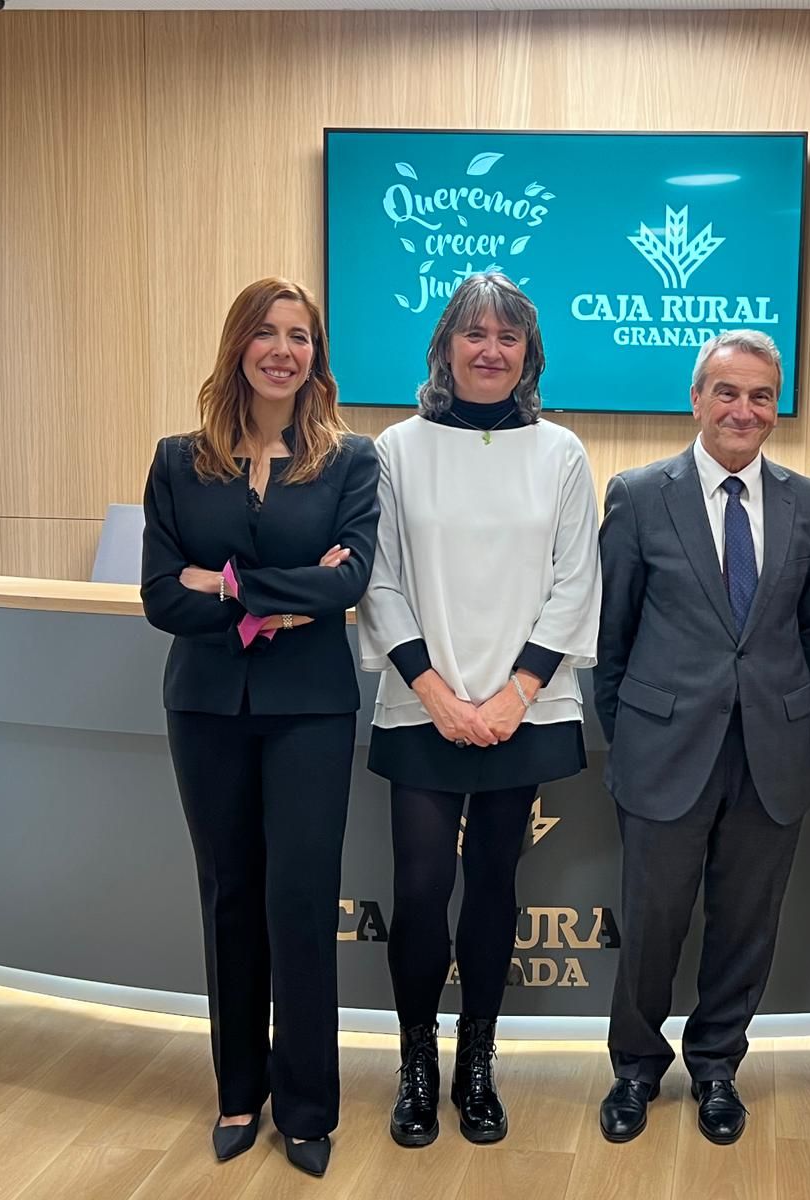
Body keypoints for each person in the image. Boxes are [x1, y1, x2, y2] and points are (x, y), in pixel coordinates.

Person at [141, 277, 380, 1178]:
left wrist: (226, 583)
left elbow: (347, 583)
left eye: (300, 336)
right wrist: (284, 596)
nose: (283, 350)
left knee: (302, 901)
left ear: (316, 356)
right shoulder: (178, 461)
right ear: (238, 343)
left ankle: (308, 1105)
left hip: (309, 709)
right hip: (205, 707)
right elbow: (160, 596)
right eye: (268, 333)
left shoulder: (350, 462)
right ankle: (238, 1091)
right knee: (229, 896)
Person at [357, 273, 601, 1148]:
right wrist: (436, 695)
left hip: (521, 711)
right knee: (421, 892)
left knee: (495, 887)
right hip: (422, 705)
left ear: (529, 355)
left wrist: (513, 696)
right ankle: (417, 1062)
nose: (490, 350)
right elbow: (379, 580)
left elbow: (576, 582)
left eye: (508, 337)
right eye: (474, 334)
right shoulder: (395, 450)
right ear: (445, 348)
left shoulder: (561, 453)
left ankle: (477, 1060)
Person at [594, 330, 810, 1146]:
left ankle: (717, 1066)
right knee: (652, 920)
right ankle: (635, 1067)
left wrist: (762, 696)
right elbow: (613, 634)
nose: (744, 409)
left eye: (761, 395)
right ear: (696, 399)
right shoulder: (638, 496)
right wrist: (631, 734)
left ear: (777, 406)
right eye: (727, 392)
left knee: (745, 923)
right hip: (664, 749)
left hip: (770, 750)